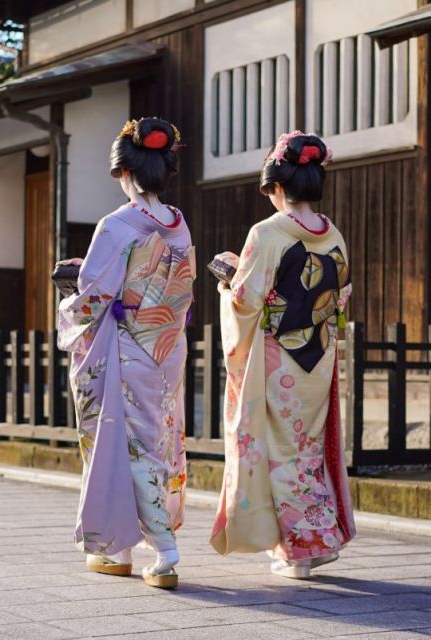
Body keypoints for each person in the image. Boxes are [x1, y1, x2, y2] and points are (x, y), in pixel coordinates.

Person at [210, 131, 355, 579]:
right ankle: (315, 536)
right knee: (306, 448)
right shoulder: (334, 236)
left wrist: (226, 282)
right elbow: (340, 298)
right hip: (319, 353)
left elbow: (247, 302)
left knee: (281, 450)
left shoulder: (268, 232)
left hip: (279, 357)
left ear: (277, 187)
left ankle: (303, 549)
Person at [57, 117, 195, 589]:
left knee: (127, 446)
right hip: (165, 345)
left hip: (125, 349)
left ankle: (164, 550)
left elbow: (94, 299)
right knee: (156, 439)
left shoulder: (116, 224)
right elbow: (167, 288)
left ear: (124, 174)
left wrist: (69, 299)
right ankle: (116, 547)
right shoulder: (178, 224)